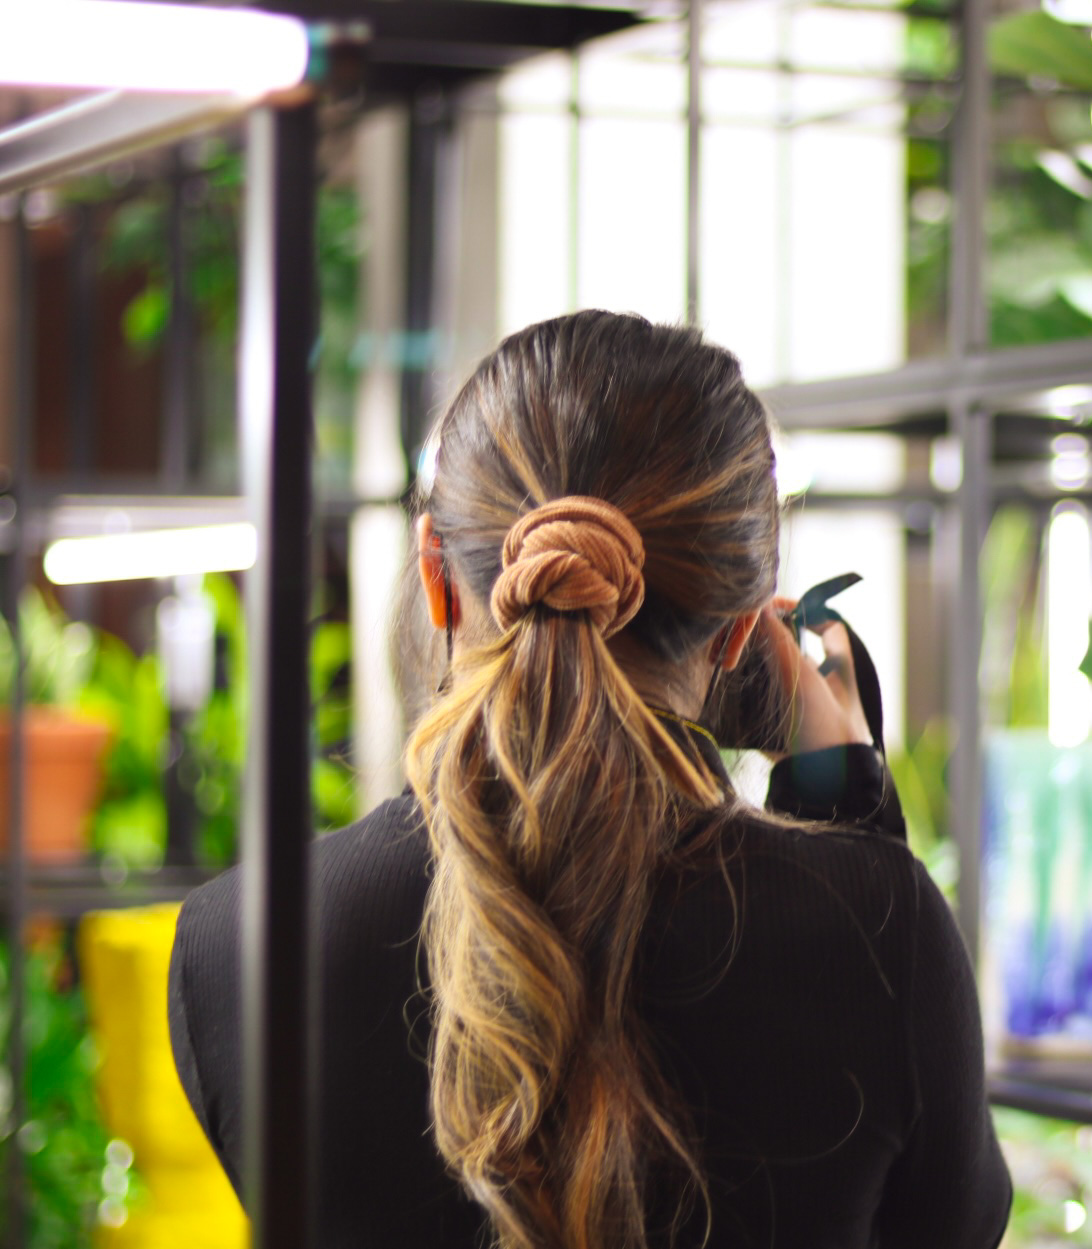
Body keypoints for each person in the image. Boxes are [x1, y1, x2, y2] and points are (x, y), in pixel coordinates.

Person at [167, 310, 1012, 1249]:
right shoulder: (875, 929)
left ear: (435, 573)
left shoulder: (236, 943)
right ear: (741, 632)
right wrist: (847, 805)